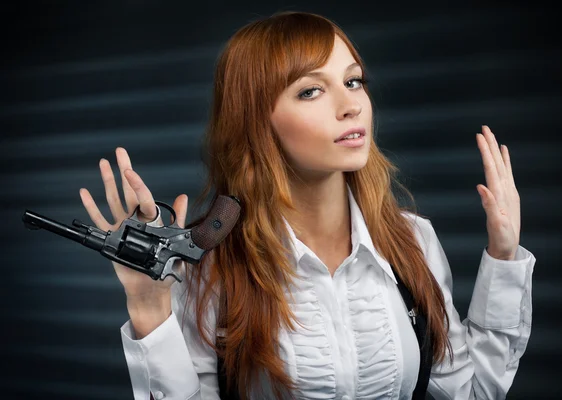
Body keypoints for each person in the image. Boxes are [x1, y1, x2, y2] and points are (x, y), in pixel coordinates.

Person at [78, 11, 536, 400]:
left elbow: (473, 392)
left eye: (353, 81)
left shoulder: (413, 241)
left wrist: (504, 255)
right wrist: (148, 305)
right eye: (311, 91)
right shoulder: (212, 263)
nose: (350, 105)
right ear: (257, 121)